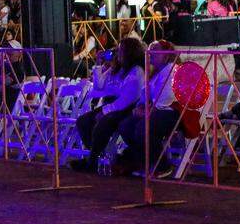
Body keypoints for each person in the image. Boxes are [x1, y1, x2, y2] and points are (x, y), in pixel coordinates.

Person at [70, 36, 147, 172]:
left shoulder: (136, 71)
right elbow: (99, 86)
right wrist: (99, 63)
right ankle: (95, 155)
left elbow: (126, 100)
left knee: (103, 123)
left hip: (128, 108)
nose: (117, 53)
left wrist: (105, 111)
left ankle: (92, 160)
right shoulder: (119, 68)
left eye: (120, 50)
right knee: (83, 121)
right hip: (115, 105)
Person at [112, 40, 180, 177]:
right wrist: (140, 107)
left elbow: (166, 98)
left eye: (155, 51)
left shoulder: (172, 71)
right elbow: (145, 94)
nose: (151, 54)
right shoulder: (154, 72)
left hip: (170, 112)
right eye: (150, 51)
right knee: (125, 126)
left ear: (166, 55)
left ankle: (163, 165)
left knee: (142, 128)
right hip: (153, 110)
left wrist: (148, 109)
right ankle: (142, 160)